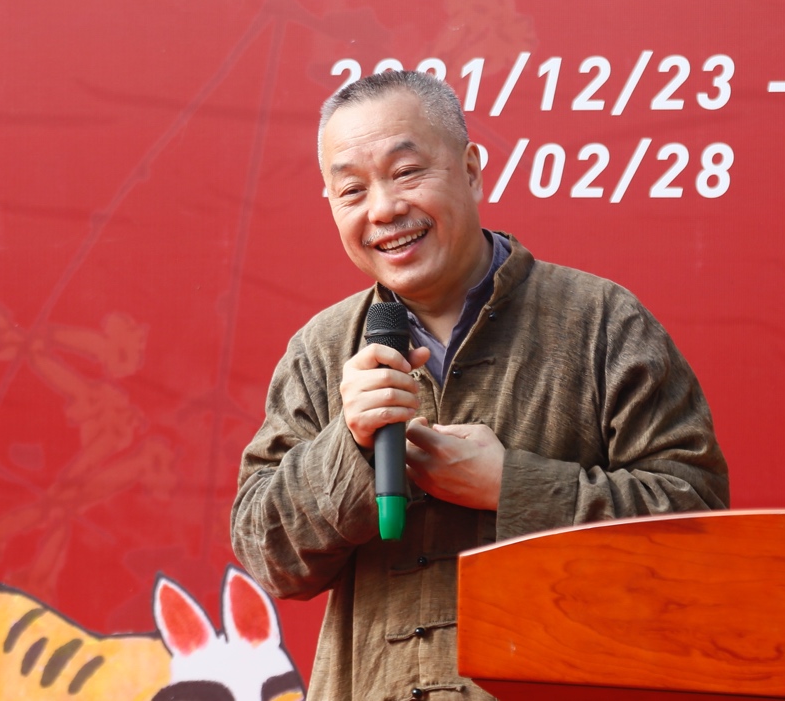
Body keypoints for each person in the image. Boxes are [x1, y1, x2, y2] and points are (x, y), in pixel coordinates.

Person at [230, 70, 728, 701]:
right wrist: (347, 447)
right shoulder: (322, 348)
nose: (383, 209)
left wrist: (511, 486)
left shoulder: (603, 321)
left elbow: (697, 524)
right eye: (352, 189)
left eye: (406, 172)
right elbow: (267, 554)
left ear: (470, 169)